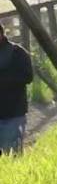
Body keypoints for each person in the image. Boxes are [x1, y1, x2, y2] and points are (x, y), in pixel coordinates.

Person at [0, 22, 33, 155]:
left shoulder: (17, 52)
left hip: (12, 113)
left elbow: (28, 76)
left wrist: (4, 80)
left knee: (12, 155)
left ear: (1, 34)